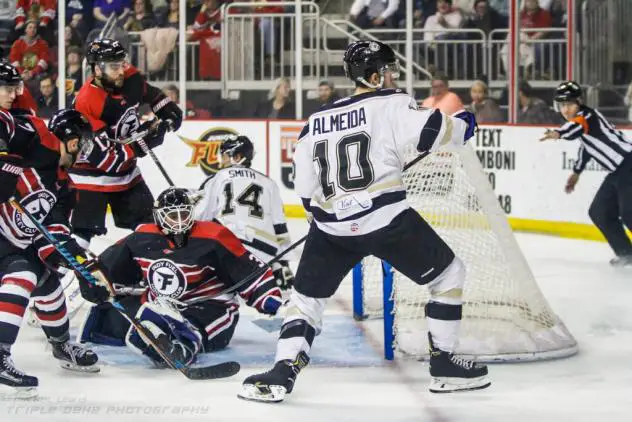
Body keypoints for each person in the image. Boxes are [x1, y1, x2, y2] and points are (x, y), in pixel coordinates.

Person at [237, 40, 489, 403]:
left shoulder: (315, 120)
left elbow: (305, 189)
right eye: (388, 71)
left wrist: (325, 219)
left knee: (305, 300)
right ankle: (444, 365)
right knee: (449, 275)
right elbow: (436, 131)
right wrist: (464, 123)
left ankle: (281, 372)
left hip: (331, 230)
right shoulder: (391, 103)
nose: (392, 77)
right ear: (374, 75)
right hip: (387, 222)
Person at [75, 187, 284, 367]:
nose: (179, 221)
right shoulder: (142, 237)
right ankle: (153, 333)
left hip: (209, 306)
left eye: (183, 214)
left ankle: (184, 345)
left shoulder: (213, 236)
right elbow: (107, 267)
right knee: (107, 316)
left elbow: (248, 270)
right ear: (158, 216)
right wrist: (92, 281)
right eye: (172, 216)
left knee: (198, 323)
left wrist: (269, 299)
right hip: (161, 305)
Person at [0, 82, 100, 398]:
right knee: (22, 274)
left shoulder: (64, 187)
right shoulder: (31, 146)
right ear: (66, 140)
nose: (83, 152)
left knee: (48, 283)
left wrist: (79, 264)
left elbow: (53, 234)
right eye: (80, 144)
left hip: (15, 240)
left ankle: (60, 346)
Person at [70, 38, 182, 250]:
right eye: (114, 66)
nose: (121, 70)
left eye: (122, 63)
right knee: (81, 236)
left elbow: (152, 94)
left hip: (127, 174)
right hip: (89, 177)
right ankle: (61, 276)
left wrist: (167, 111)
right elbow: (105, 159)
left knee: (151, 228)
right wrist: (143, 142)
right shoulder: (85, 102)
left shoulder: (129, 77)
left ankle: (152, 274)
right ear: (97, 69)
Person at [540, 81, 632, 266]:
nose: (565, 109)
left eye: (569, 104)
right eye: (562, 105)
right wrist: (576, 173)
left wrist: (558, 133)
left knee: (629, 213)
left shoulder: (586, 117)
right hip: (618, 172)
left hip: (628, 165)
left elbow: (574, 128)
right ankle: (626, 253)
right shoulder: (582, 123)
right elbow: (587, 147)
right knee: (599, 211)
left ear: (579, 101)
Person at [196, 136, 295, 289]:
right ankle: (274, 268)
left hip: (230, 250)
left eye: (224, 156)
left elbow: (201, 216)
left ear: (237, 157)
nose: (221, 161)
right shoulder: (269, 183)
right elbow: (280, 226)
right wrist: (284, 263)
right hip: (264, 256)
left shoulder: (218, 178)